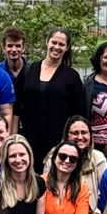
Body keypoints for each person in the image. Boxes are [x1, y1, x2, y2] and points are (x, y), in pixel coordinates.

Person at [15, 29, 89, 164]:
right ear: (47, 42)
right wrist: (14, 138)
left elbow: (79, 113)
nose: (56, 47)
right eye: (54, 42)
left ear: (67, 47)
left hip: (59, 144)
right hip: (28, 141)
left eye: (61, 44)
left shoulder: (72, 76)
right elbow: (16, 108)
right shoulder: (29, 70)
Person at [63, 116, 107, 211]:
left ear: (90, 135)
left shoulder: (98, 158)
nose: (80, 137)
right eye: (75, 133)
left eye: (84, 132)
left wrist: (98, 213)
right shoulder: (55, 157)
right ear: (67, 135)